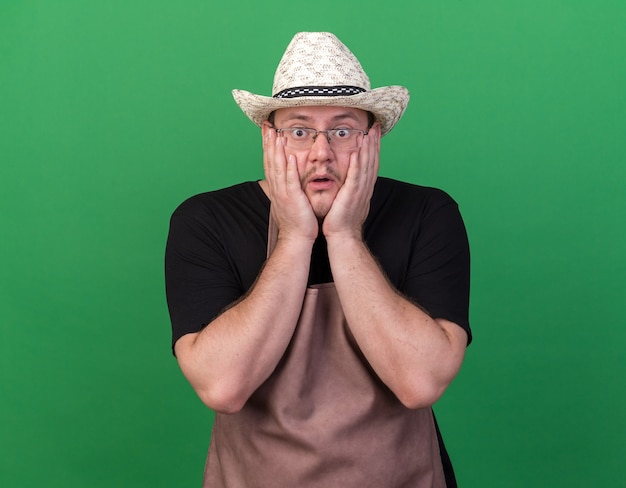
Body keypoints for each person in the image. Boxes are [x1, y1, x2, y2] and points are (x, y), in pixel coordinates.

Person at [165, 32, 471, 488]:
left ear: (374, 137)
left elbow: (420, 382)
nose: (321, 152)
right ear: (270, 138)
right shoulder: (206, 220)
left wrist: (345, 236)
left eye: (343, 130)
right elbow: (223, 386)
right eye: (300, 130)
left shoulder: (427, 213)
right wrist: (294, 236)